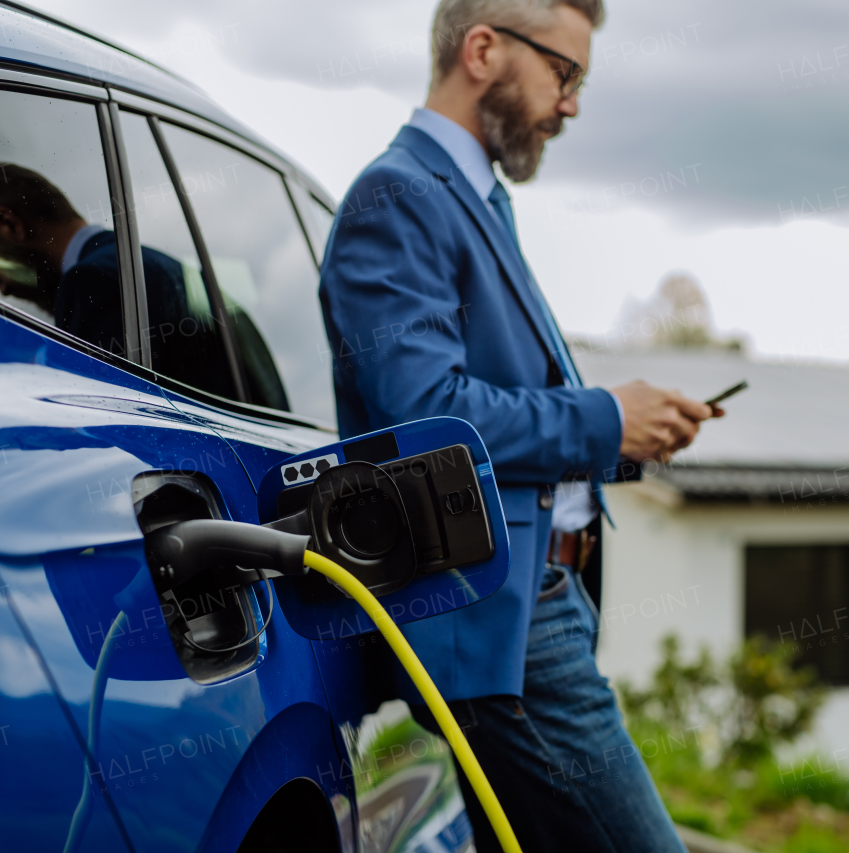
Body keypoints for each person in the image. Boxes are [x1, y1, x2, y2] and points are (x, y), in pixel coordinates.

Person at [319, 1, 717, 850]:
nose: (570, 104)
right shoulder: (397, 196)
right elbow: (427, 417)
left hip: (540, 604)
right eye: (563, 73)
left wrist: (630, 428)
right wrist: (607, 420)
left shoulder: (472, 198)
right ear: (483, 49)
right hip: (505, 619)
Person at [0, 161, 277, 404]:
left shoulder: (94, 282)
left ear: (9, 224)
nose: (1, 287)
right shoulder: (153, 267)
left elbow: (95, 427)